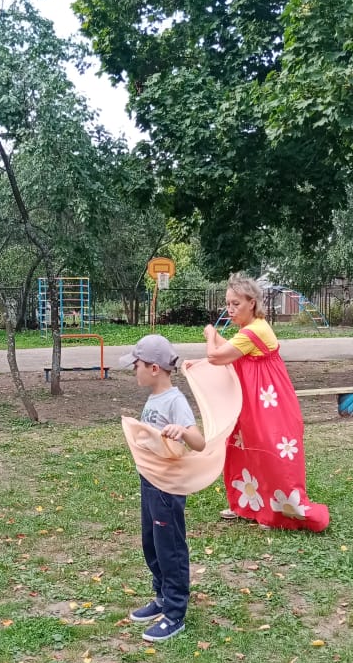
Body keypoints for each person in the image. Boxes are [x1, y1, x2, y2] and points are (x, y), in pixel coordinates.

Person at [201, 274, 329, 532]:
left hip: (268, 404)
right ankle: (248, 505)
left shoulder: (254, 331)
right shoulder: (253, 328)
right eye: (228, 304)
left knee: (270, 451)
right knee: (245, 447)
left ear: (252, 303)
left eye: (236, 304)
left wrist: (210, 334)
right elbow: (232, 351)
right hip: (256, 402)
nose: (230, 309)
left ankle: (276, 512)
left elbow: (216, 356)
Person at [120, 334, 206, 642]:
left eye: (137, 365)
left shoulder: (174, 400)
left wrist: (182, 431)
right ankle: (161, 596)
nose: (134, 370)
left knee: (170, 547)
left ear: (154, 368)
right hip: (150, 482)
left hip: (167, 488)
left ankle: (175, 613)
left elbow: (199, 442)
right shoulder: (154, 398)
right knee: (152, 542)